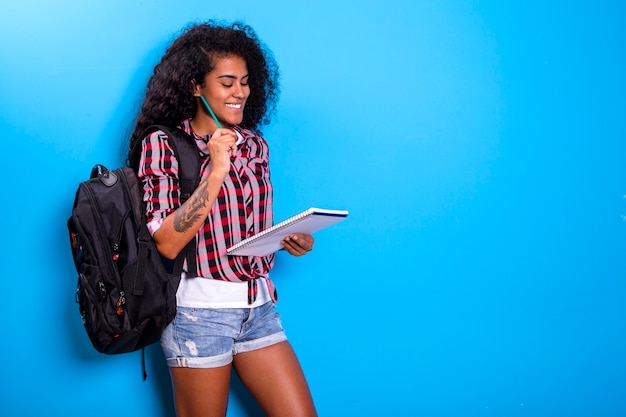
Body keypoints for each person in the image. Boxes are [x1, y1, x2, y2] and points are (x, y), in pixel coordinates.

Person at [126, 21, 317, 417]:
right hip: (198, 315)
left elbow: (247, 226)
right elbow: (166, 241)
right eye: (227, 82)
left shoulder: (254, 144)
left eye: (245, 82)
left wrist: (289, 240)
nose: (240, 93)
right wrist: (215, 169)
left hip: (259, 308)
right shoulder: (163, 144)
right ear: (196, 86)